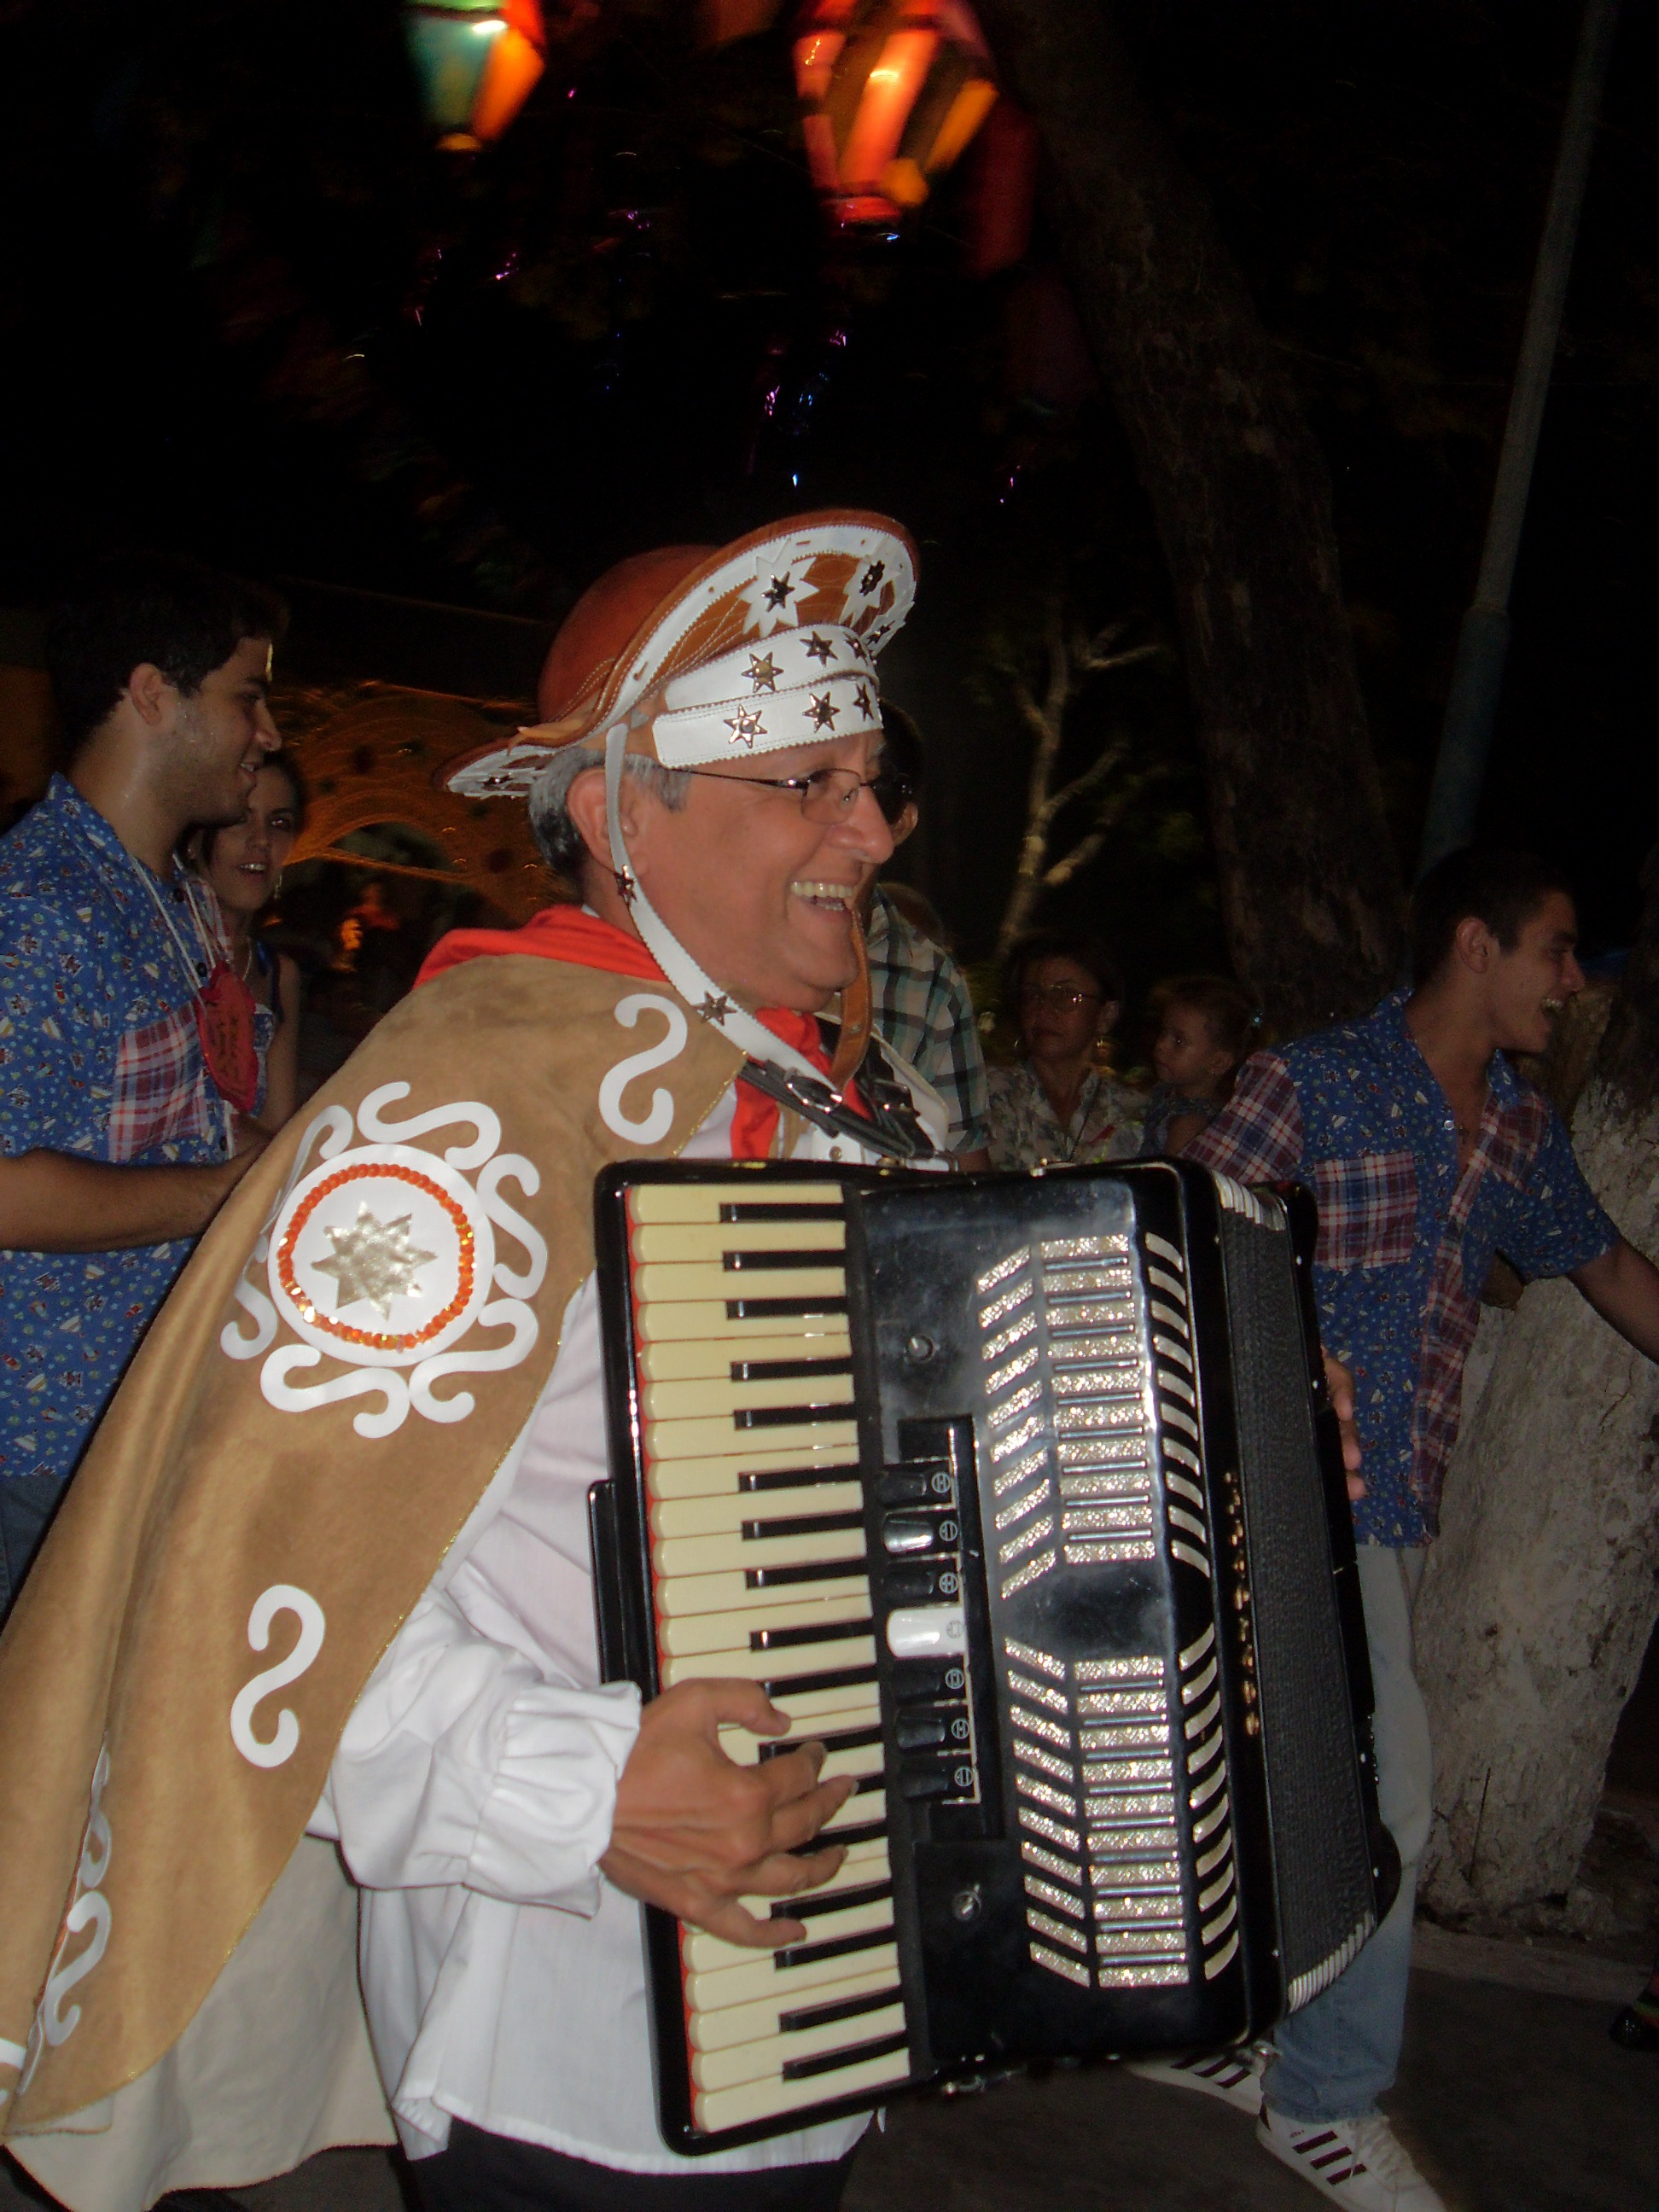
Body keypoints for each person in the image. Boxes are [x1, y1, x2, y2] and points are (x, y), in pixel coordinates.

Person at [0, 512, 952, 2212]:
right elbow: (255, 1583)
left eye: (871, 777)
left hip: (826, 2010)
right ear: (617, 817)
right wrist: (586, 1788)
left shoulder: (832, 1103)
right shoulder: (456, 1124)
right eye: (804, 782)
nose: (870, 829)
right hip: (570, 2032)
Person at [1133, 847, 1659, 2212]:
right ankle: (1323, 2099)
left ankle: (1244, 2029)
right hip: (1286, 1496)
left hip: (1394, 1509)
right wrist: (1287, 1347)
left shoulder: (1517, 1126)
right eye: (1556, 947)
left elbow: (1600, 1259)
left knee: (1290, 1787)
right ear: (1475, 946)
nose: (1571, 978)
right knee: (1391, 1800)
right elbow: (1177, 1239)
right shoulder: (1309, 1080)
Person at [0, 552, 283, 1613]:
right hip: (36, 1444)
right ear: (152, 691)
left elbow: (207, 1122)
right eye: (247, 697)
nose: (269, 734)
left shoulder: (170, 900)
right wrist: (230, 1194)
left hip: (129, 1422)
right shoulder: (39, 908)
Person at [863, 703, 991, 1167]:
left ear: (899, 824)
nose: (834, 825)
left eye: (866, 791)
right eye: (809, 783)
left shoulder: (930, 979)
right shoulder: (728, 940)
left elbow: (965, 1167)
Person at [190, 753, 306, 1132]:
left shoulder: (276, 973)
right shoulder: (162, 945)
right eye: (241, 818)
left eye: (279, 823)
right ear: (194, 837)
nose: (261, 841)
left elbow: (276, 1129)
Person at [985, 927, 1143, 1167]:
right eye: (1032, 995)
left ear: (1106, 1016)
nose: (1044, 1010)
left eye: (1066, 995)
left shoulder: (1132, 1111)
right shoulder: (989, 1093)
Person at [1138, 972, 1259, 1157]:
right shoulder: (1168, 1094)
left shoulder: (1189, 1125)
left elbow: (1174, 1181)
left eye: (1179, 1041)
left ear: (1218, 1063)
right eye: (1163, 1032)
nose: (1161, 1045)